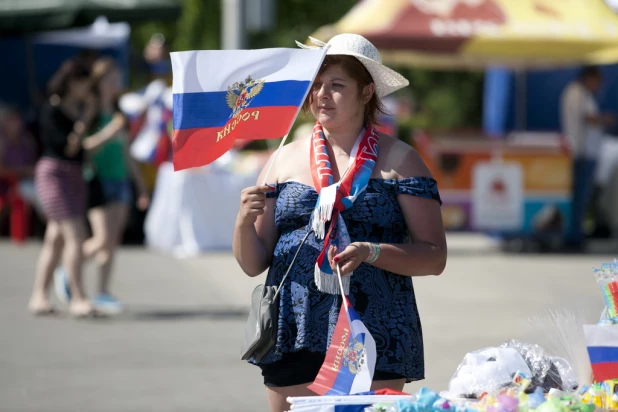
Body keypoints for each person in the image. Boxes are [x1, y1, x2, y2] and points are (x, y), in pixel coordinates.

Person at [232, 34, 447, 412]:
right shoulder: (283, 158)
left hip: (375, 326)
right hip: (293, 326)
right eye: (315, 86)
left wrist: (371, 251)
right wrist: (242, 222)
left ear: (366, 92)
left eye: (336, 85)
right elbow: (253, 263)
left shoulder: (401, 160)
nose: (321, 96)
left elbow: (433, 257)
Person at [54, 57, 150, 314]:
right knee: (101, 238)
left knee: (112, 240)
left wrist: (140, 187)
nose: (115, 83)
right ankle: (69, 268)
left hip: (120, 179)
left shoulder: (119, 112)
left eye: (117, 79)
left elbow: (127, 153)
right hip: (96, 179)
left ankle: (102, 291)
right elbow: (82, 148)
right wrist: (108, 133)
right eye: (110, 79)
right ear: (99, 81)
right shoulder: (90, 110)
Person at [27, 62, 98, 317]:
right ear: (71, 81)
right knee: (76, 236)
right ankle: (78, 297)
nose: (87, 89)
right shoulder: (52, 109)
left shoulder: (79, 107)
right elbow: (68, 147)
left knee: (55, 239)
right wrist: (84, 120)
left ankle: (38, 296)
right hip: (54, 174)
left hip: (75, 176)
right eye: (84, 83)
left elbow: (84, 149)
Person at [560, 66, 615, 249]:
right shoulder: (576, 93)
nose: (598, 86)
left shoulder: (582, 94)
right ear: (589, 78)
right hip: (581, 153)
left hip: (586, 152)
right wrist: (606, 120)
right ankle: (574, 236)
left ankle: (576, 232)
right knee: (578, 197)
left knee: (581, 197)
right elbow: (588, 119)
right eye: (597, 82)